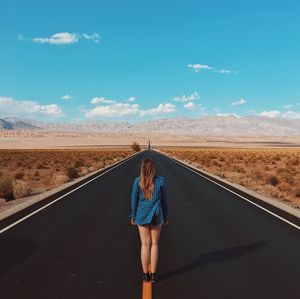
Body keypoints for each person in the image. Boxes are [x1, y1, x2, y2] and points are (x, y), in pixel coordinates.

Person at [128, 158, 168, 283]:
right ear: (153, 169)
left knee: (145, 244)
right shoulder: (161, 182)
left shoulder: (137, 182)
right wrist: (165, 216)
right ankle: (153, 275)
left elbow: (134, 201)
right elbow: (165, 202)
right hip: (157, 216)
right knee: (155, 244)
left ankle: (145, 275)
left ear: (142, 169)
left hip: (141, 215)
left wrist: (133, 216)